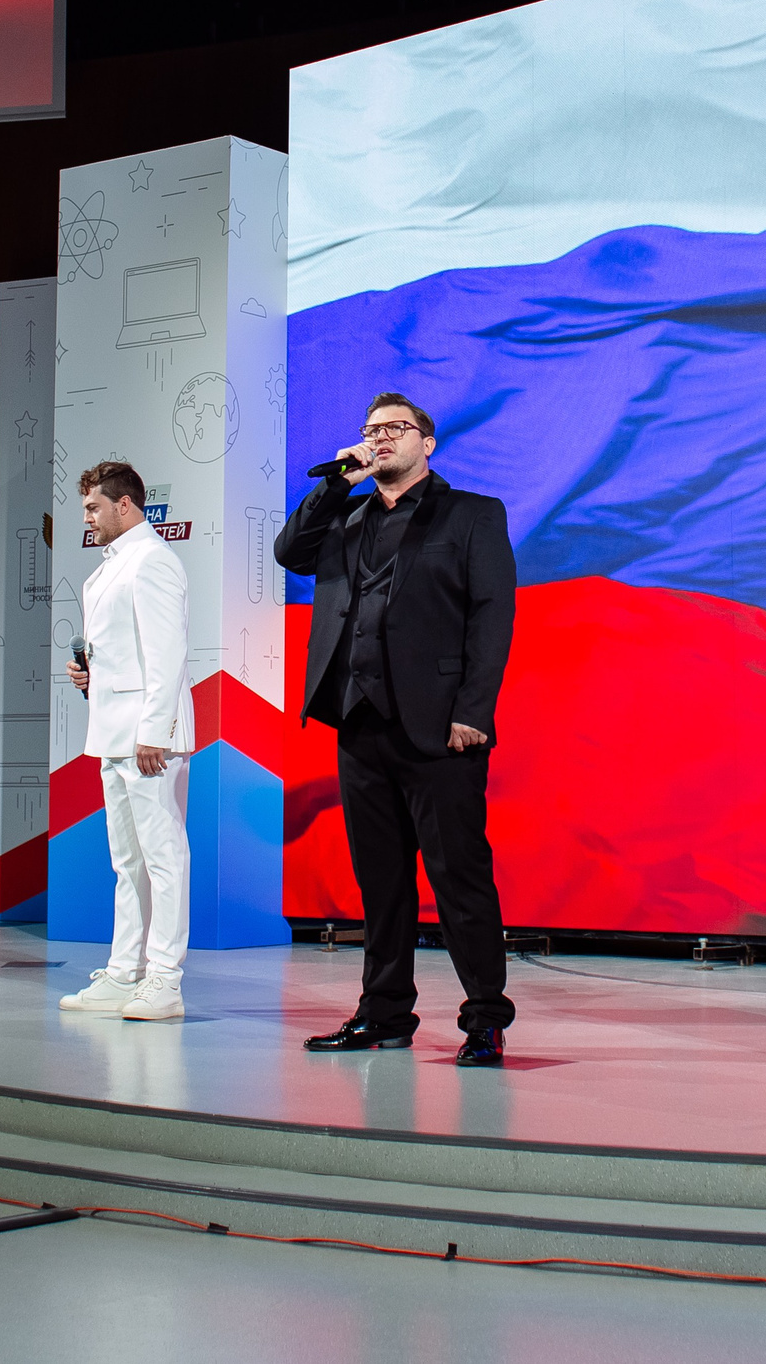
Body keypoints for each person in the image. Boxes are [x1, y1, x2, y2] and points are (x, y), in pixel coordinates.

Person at [275, 392, 518, 1065]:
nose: (381, 439)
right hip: (359, 721)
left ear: (427, 443)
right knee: (380, 881)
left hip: (442, 729)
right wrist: (336, 481)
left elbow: (492, 617)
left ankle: (485, 1019)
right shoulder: (346, 517)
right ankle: (383, 1014)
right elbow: (289, 551)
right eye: (371, 431)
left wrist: (474, 710)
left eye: (395, 429)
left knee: (459, 877)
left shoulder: (471, 514)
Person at [56, 459, 195, 1023]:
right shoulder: (110, 566)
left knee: (163, 859)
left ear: (125, 504)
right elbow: (124, 650)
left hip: (147, 737)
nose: (87, 518)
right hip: (114, 734)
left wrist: (154, 731)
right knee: (127, 862)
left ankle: (164, 980)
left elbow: (167, 654)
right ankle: (123, 973)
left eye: (93, 507)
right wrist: (90, 673)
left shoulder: (153, 561)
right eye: (85, 507)